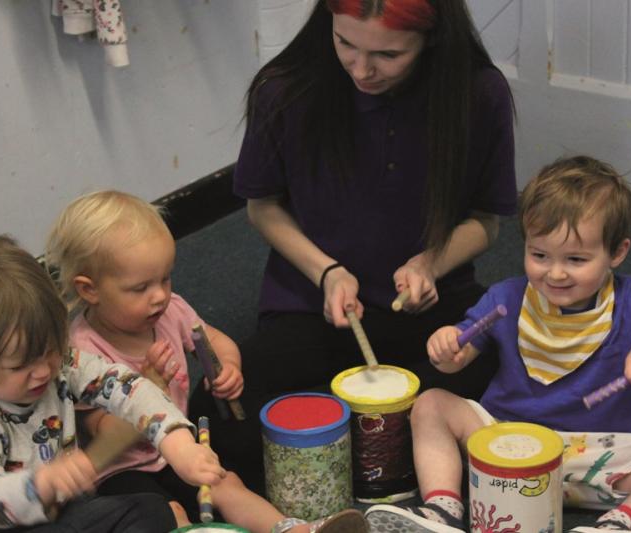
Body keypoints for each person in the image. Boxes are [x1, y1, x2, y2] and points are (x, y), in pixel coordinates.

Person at [213, 0, 517, 493]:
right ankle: (390, 456)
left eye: (388, 55)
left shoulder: (479, 93)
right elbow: (261, 208)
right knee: (223, 400)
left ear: (432, 37)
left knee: (505, 363)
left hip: (431, 305)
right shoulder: (285, 87)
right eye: (344, 43)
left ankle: (362, 455)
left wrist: (430, 264)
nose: (361, 69)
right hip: (313, 303)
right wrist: (328, 272)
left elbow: (487, 221)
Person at [363, 156, 631, 532]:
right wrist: (446, 348)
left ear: (616, 252)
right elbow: (456, 360)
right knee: (431, 403)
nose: (555, 272)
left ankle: (615, 526)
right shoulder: (506, 299)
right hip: (503, 446)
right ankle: (442, 510)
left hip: (597, 455)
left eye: (576, 259)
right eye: (539, 255)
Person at [45, 190, 368, 533]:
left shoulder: (170, 312)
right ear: (89, 289)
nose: (159, 296)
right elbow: (106, 433)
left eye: (165, 278)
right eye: (140, 288)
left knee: (227, 484)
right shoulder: (81, 353)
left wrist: (227, 365)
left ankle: (294, 530)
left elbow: (214, 340)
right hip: (124, 471)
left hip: (181, 447)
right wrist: (148, 385)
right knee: (165, 511)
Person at [0, 235, 226, 533]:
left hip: (61, 512)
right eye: (19, 366)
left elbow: (130, 388)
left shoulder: (61, 363)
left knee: (153, 510)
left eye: (51, 350)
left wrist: (178, 445)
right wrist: (42, 484)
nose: (43, 371)